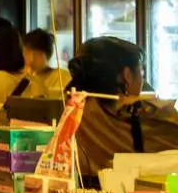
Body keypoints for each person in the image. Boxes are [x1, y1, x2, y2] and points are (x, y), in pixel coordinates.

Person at [68, 36, 178, 177]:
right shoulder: (150, 118)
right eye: (141, 72)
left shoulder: (75, 110)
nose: (142, 79)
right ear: (127, 75)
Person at [13, 28, 70, 100]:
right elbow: (13, 103)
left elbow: (48, 105)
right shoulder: (24, 78)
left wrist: (32, 79)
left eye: (25, 53)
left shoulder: (61, 76)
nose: (24, 57)